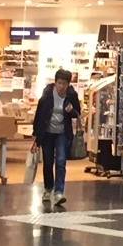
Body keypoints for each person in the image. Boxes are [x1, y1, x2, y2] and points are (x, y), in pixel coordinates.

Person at [31, 68, 80, 206]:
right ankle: (48, 188)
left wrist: (72, 111)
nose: (61, 86)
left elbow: (77, 113)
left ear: (68, 84)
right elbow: (39, 115)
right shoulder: (47, 95)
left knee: (60, 160)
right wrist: (36, 135)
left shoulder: (71, 95)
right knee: (47, 162)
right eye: (59, 83)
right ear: (55, 82)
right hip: (47, 133)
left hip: (62, 133)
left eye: (64, 84)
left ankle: (59, 192)